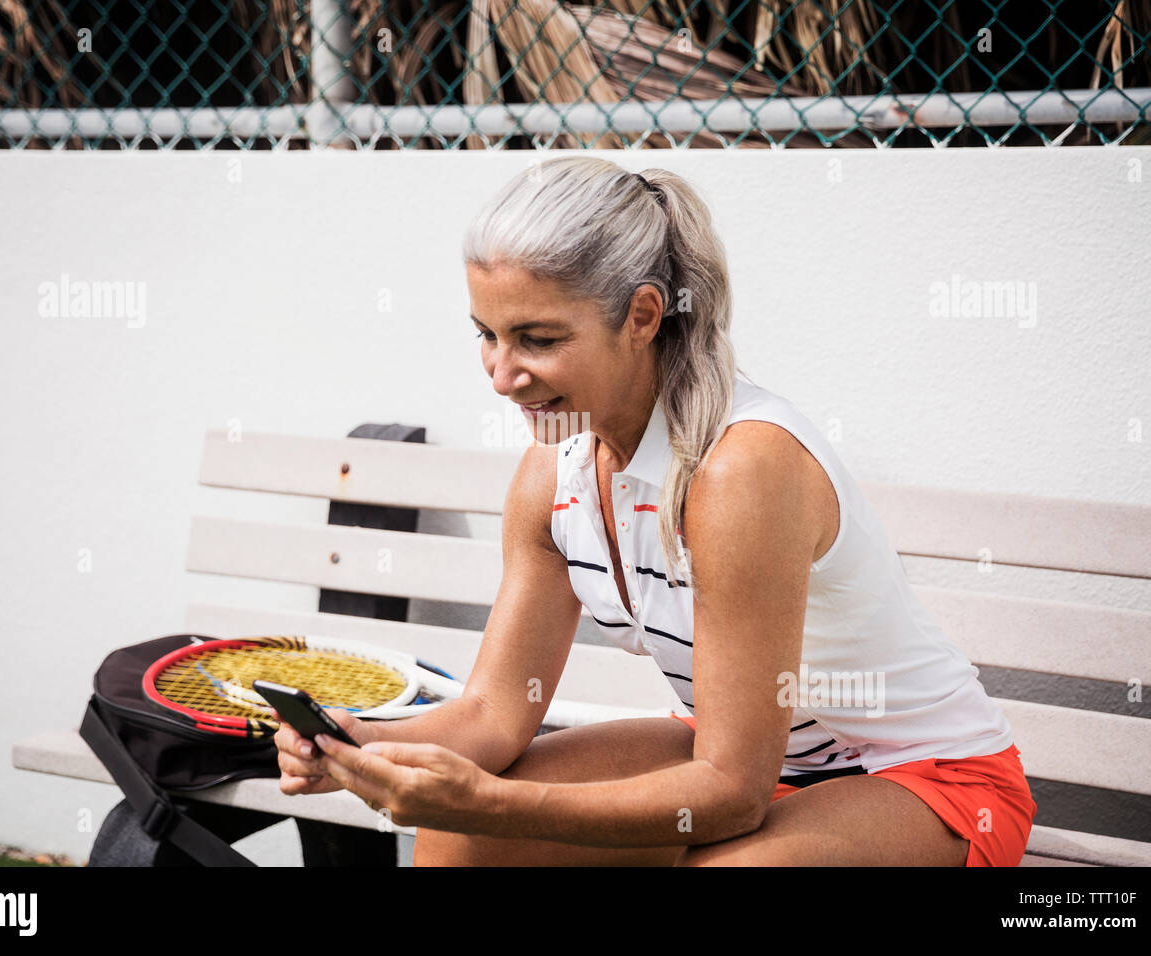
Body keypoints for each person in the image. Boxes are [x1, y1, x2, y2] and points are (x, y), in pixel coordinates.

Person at [273, 157, 1037, 866]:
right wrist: (361, 746)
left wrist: (499, 800)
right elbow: (496, 713)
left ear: (642, 315)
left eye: (537, 339)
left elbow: (732, 793)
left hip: (927, 780)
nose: (503, 376)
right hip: (741, 756)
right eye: (487, 335)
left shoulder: (740, 470)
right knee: (460, 839)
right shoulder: (553, 472)